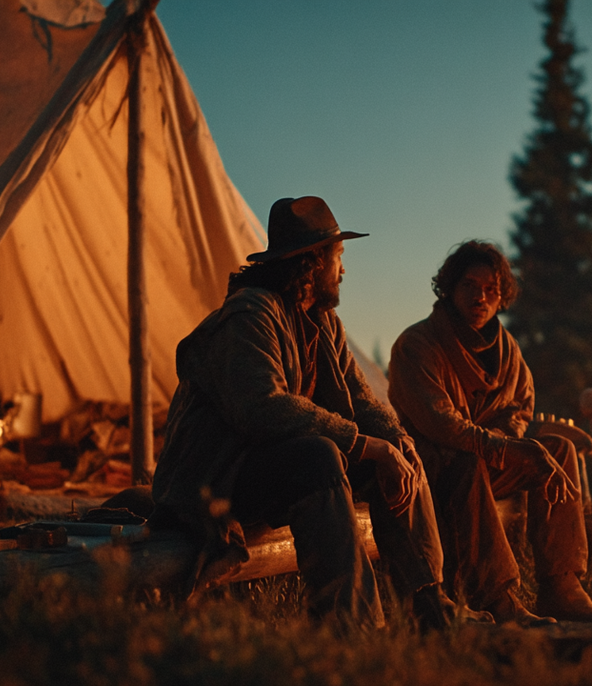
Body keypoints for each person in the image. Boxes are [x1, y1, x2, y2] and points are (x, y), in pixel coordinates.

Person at [149, 196, 460, 630]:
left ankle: (431, 610)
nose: (344, 270)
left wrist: (393, 442)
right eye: (339, 258)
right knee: (319, 456)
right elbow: (262, 409)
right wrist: (366, 445)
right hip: (218, 479)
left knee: (397, 452)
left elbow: (363, 399)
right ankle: (351, 628)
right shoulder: (250, 313)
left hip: (272, 469)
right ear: (312, 264)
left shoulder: (322, 322)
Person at [386, 241, 592, 624]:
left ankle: (562, 586)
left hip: (487, 465)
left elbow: (519, 407)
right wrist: (499, 447)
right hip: (433, 474)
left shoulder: (507, 350)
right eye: (469, 285)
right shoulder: (418, 345)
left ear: (502, 297)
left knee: (559, 449)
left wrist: (511, 441)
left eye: (491, 289)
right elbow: (439, 423)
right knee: (465, 459)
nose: (480, 297)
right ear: (449, 287)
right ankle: (497, 598)